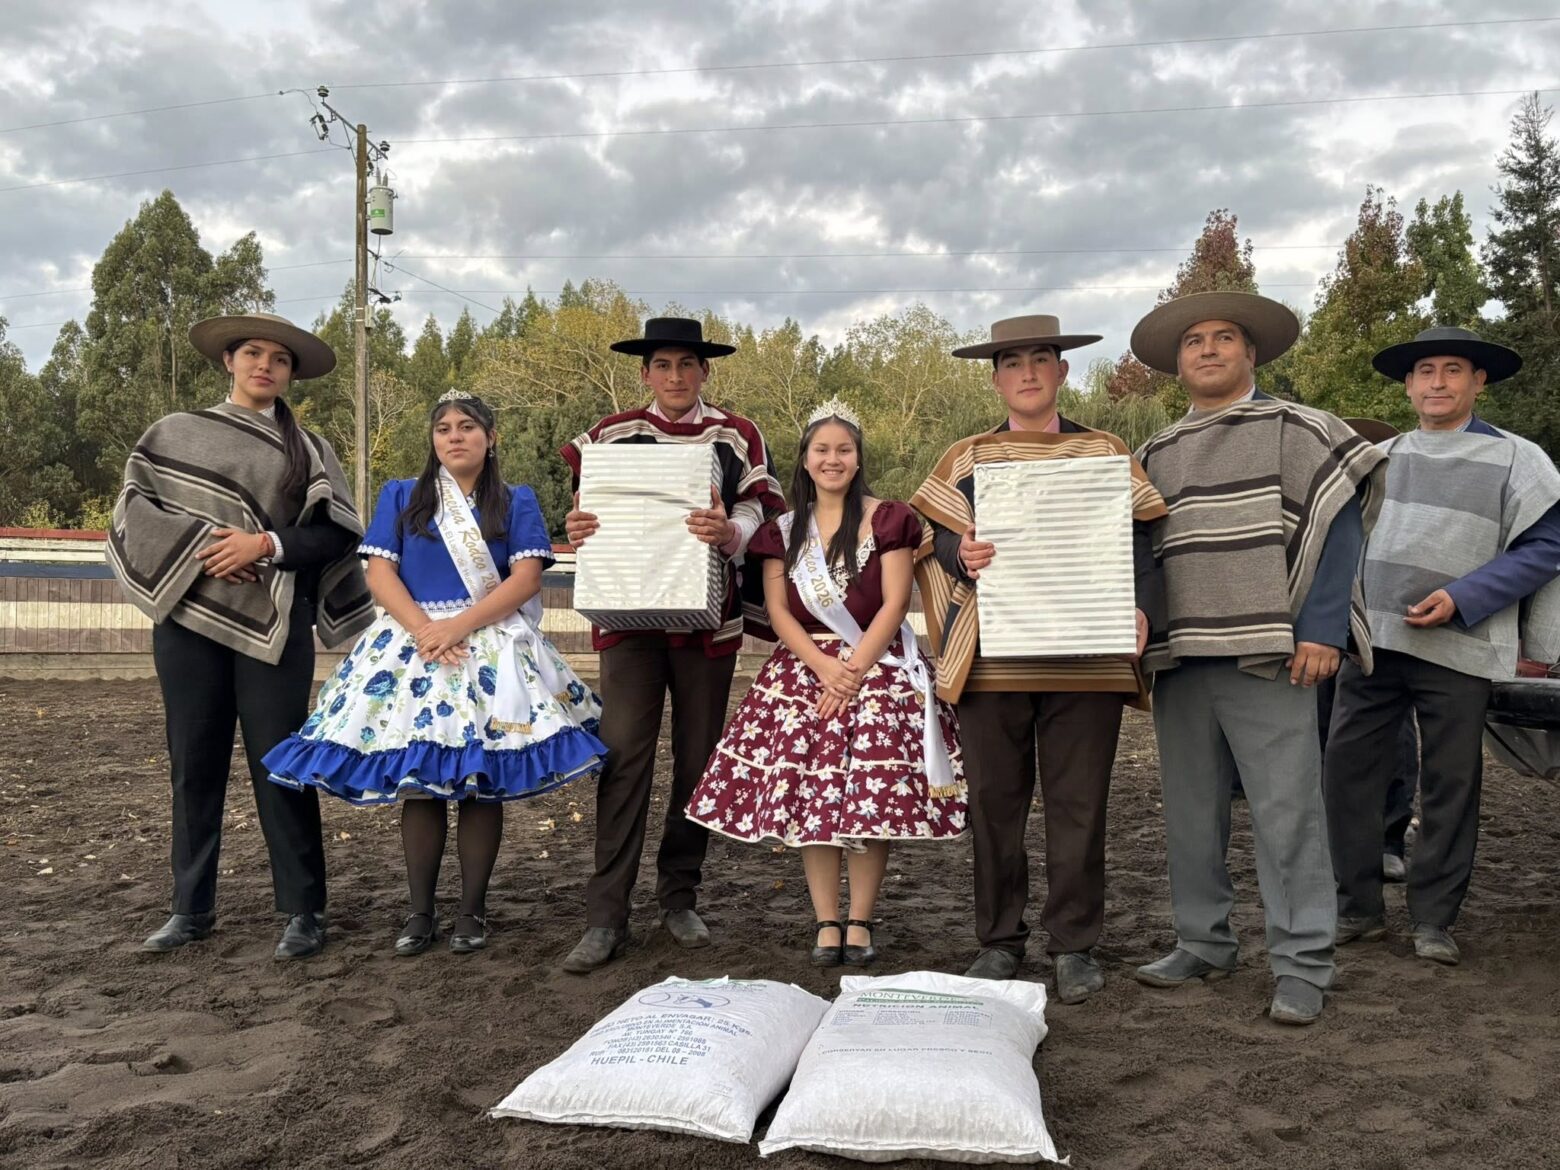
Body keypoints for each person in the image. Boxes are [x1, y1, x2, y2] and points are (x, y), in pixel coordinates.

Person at [264, 391, 605, 955]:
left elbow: (524, 582)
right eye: (443, 427)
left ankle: (472, 911)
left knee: (480, 782)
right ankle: (420, 911)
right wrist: (426, 630)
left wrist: (456, 628)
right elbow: (379, 573)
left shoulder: (516, 501)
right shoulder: (402, 495)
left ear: (491, 438)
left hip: (487, 648)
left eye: (468, 426)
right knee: (420, 784)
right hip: (413, 647)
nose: (454, 436)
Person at [1129, 291, 1387, 1025]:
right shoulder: (1152, 453)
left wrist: (1323, 628)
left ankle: (1304, 960)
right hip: (1180, 655)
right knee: (1189, 812)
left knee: (1287, 812)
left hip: (1270, 651)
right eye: (1193, 342)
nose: (1207, 349)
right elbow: (1136, 553)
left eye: (1224, 337)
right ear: (1177, 363)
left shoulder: (1300, 428)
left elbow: (1337, 529)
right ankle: (1203, 941)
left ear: (1251, 352)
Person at [909, 314, 1168, 1005]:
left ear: (1061, 371)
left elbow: (1141, 542)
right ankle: (998, 941)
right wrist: (956, 554)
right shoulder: (966, 457)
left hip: (1086, 661)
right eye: (1012, 362)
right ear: (996, 379)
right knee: (994, 806)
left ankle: (1075, 945)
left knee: (1079, 806)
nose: (1026, 372)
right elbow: (932, 541)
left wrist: (1144, 608)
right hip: (995, 662)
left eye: (1039, 359)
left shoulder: (1107, 452)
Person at [108, 312, 376, 959]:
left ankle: (304, 912)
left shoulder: (308, 450)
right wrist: (202, 546)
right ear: (228, 360)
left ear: (290, 374)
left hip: (275, 627)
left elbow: (339, 533)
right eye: (253, 353)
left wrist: (267, 543)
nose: (265, 365)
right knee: (192, 764)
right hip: (187, 621)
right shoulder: (175, 435)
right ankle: (190, 910)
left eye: (278, 360)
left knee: (280, 764)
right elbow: (133, 506)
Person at [684, 399, 967, 966]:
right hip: (804, 674)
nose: (833, 459)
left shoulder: (890, 519)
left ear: (858, 458)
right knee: (813, 801)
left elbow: (894, 603)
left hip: (876, 670)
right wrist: (822, 667)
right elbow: (779, 612)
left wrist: (852, 670)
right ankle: (826, 921)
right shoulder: (780, 531)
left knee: (871, 800)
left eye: (844, 449)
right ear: (806, 460)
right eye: (822, 450)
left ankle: (860, 918)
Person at [1324, 326, 1560, 965]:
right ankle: (1357, 908)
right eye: (1425, 371)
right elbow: (1342, 543)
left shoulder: (1519, 459)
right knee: (1347, 772)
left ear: (1478, 382)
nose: (1437, 382)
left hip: (1461, 642)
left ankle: (1433, 918)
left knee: (1451, 782)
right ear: (1408, 385)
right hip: (1372, 641)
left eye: (1452, 370)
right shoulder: (1382, 455)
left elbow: (1547, 546)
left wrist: (1464, 597)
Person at [559, 317, 785, 973]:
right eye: (663, 365)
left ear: (705, 371)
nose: (676, 377)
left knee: (697, 760)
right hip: (629, 623)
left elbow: (760, 507)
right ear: (645, 372)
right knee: (623, 756)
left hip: (706, 624)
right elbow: (587, 512)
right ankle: (606, 915)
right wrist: (575, 525)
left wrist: (730, 530)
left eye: (688, 365)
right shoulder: (610, 433)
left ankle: (680, 895)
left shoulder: (736, 433)